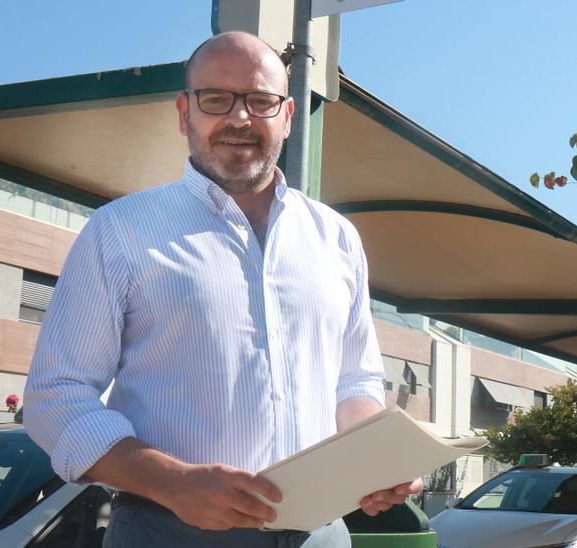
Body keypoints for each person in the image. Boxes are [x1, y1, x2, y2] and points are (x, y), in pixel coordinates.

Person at [22, 31, 420, 547]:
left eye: (260, 101)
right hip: (170, 531)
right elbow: (55, 399)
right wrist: (174, 481)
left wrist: (377, 456)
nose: (239, 118)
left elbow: (355, 382)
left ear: (288, 115)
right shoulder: (119, 231)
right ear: (185, 113)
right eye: (216, 100)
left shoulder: (336, 237)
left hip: (322, 534)